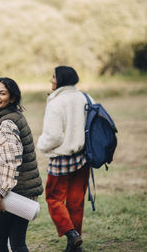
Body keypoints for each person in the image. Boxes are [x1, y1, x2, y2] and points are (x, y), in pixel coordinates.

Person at [0, 77, 43, 252]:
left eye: (2, 93)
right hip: (22, 194)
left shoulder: (7, 122)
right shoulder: (15, 117)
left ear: (12, 98)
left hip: (8, 196)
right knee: (18, 244)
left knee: (1, 245)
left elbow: (10, 161)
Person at [37, 66, 90, 252]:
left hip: (61, 158)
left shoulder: (56, 102)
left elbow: (53, 137)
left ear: (61, 79)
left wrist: (41, 145)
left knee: (54, 199)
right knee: (76, 201)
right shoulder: (86, 98)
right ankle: (74, 245)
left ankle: (71, 234)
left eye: (53, 77)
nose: (51, 80)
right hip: (84, 158)